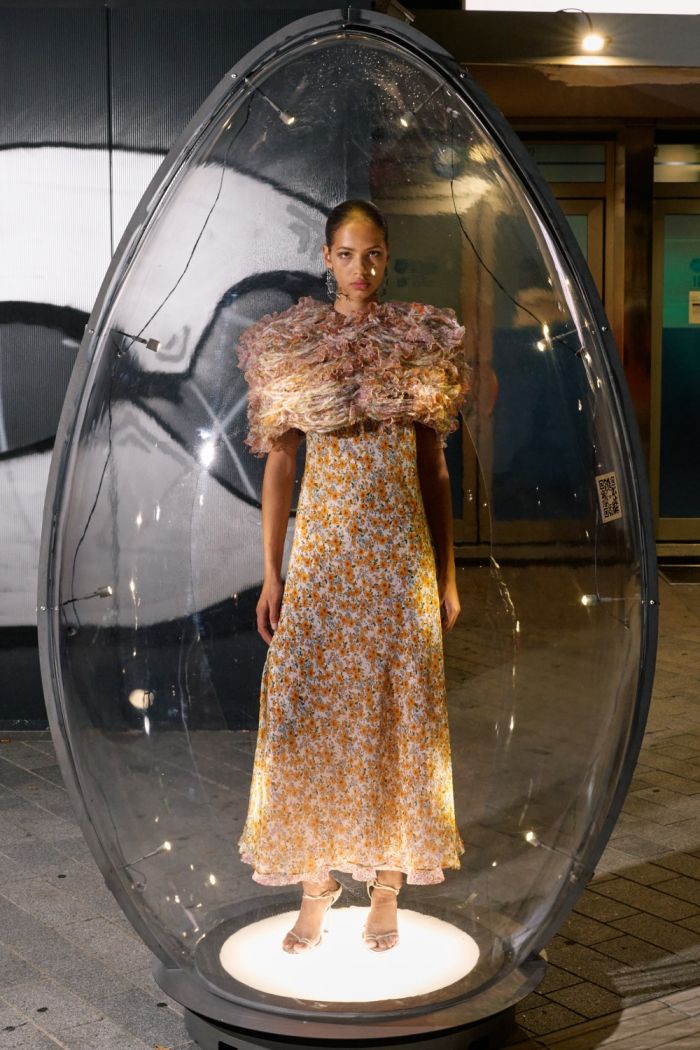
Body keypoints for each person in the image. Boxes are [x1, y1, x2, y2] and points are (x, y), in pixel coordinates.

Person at [235, 199, 470, 955]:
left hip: (398, 560)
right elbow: (280, 465)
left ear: (386, 256)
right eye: (345, 254)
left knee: (400, 710)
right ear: (326, 257)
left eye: (371, 254)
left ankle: (388, 883)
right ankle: (316, 882)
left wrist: (448, 575)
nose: (359, 269)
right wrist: (272, 573)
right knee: (305, 709)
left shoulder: (417, 344)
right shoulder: (294, 346)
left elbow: (434, 469)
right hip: (325, 559)